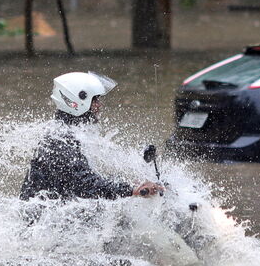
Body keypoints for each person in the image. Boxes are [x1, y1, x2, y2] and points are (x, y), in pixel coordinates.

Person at [20, 71, 163, 202]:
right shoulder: (60, 143)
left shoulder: (65, 134)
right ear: (76, 102)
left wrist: (132, 183)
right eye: (95, 100)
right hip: (45, 223)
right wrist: (132, 190)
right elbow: (87, 185)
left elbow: (88, 179)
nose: (99, 106)